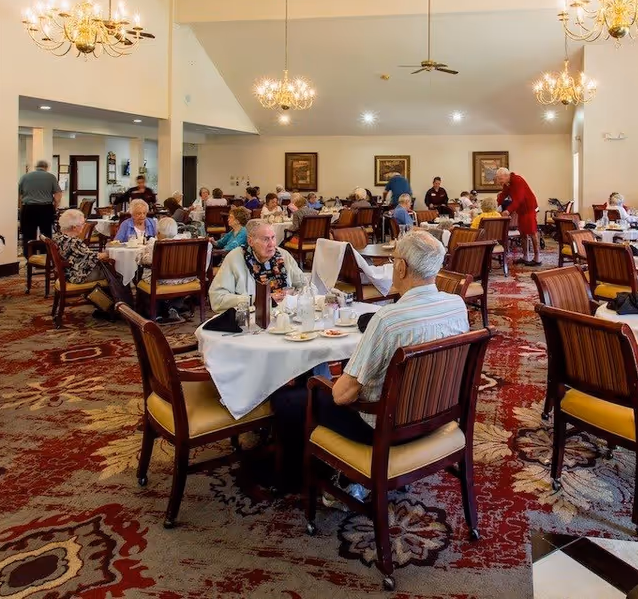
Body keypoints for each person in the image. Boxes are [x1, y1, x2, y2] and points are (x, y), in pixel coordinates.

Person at [270, 230, 469, 492]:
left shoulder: (388, 320)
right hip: (437, 416)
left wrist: (323, 381)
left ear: (400, 266)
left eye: (393, 261)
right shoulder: (457, 305)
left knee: (288, 399)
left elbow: (342, 396)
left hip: (384, 427)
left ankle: (304, 478)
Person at [208, 218, 305, 309]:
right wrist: (255, 299)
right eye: (266, 239)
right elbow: (217, 298)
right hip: (251, 319)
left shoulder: (283, 255)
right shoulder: (235, 258)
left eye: (273, 237)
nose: (272, 244)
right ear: (250, 241)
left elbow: (305, 286)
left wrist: (294, 296)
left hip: (285, 316)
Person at [54, 209, 128, 319]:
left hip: (70, 272)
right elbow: (93, 257)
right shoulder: (73, 242)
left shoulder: (59, 237)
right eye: (82, 224)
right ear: (74, 227)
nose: (83, 226)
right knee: (119, 273)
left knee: (110, 270)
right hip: (78, 275)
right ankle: (119, 309)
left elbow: (85, 256)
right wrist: (109, 252)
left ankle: (108, 306)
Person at [141, 216, 194, 324]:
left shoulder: (155, 244)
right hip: (183, 279)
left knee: (141, 279)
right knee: (176, 282)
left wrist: (141, 257)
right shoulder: (186, 242)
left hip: (159, 280)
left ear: (159, 232)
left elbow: (146, 260)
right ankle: (173, 307)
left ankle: (156, 312)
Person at [496, 167, 539, 266]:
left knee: (532, 232)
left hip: (529, 208)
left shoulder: (517, 180)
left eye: (500, 179)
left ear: (507, 176)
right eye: (498, 179)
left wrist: (508, 210)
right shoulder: (507, 183)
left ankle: (537, 258)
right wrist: (497, 207)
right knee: (522, 233)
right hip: (521, 210)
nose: (499, 181)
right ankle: (525, 256)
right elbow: (503, 195)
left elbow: (518, 199)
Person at [18, 160, 62, 250]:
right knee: (46, 234)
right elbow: (58, 194)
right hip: (45, 208)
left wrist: (21, 207)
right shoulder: (51, 177)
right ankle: (45, 256)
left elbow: (20, 195)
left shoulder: (25, 177)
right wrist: (55, 206)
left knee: (28, 234)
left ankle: (29, 257)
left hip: (29, 208)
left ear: (36, 167)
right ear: (46, 168)